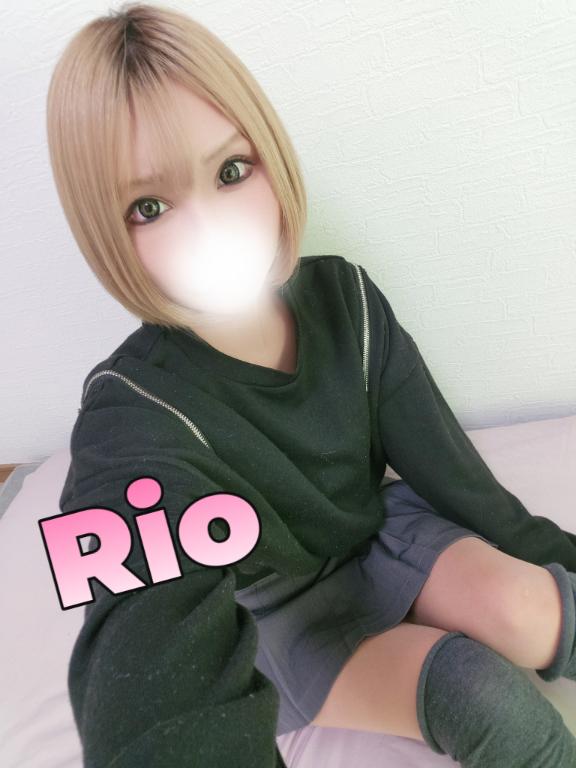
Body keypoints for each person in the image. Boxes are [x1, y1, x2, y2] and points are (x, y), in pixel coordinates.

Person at [47, 3, 576, 766]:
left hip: (382, 530)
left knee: (529, 608)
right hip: (280, 615)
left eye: (232, 170)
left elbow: (460, 479)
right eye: (149, 207)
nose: (211, 229)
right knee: (483, 695)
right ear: (105, 231)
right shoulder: (132, 418)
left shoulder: (346, 300)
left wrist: (548, 557)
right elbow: (142, 650)